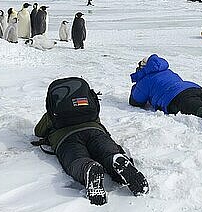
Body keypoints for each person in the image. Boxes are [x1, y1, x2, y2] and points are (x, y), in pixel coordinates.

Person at [34, 77, 149, 205]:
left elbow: (38, 132)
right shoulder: (86, 103)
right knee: (106, 152)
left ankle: (88, 168)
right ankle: (115, 160)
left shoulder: (54, 113)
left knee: (77, 159)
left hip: (66, 139)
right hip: (95, 131)